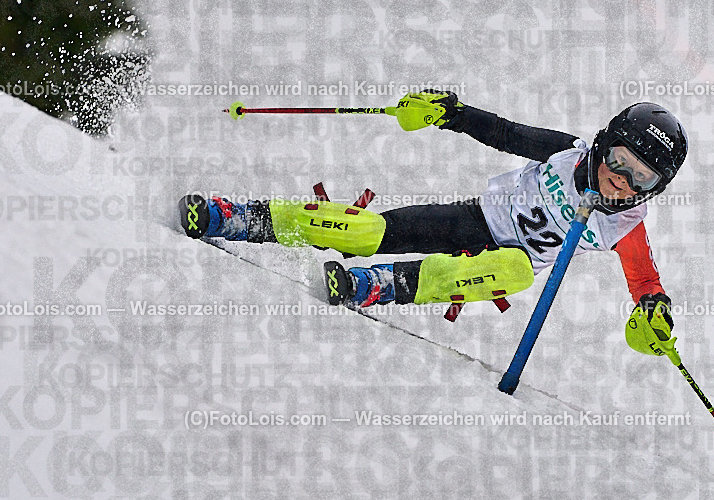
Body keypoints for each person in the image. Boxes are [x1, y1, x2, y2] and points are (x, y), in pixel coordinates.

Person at [178, 91, 687, 351]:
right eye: (619, 162)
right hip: (473, 221)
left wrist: (654, 311)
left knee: (517, 270)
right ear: (602, 145)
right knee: (365, 231)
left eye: (640, 180)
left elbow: (644, 279)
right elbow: (504, 132)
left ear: (653, 190)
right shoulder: (564, 154)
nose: (621, 182)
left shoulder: (625, 224)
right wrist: (451, 112)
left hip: (494, 268)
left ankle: (376, 286)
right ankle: (240, 218)